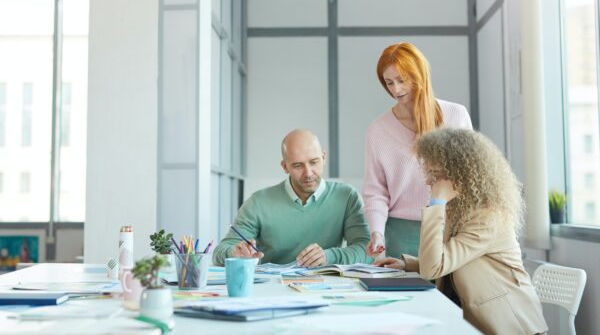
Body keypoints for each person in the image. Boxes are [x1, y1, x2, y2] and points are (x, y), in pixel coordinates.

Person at [375, 128, 548, 335]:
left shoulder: (487, 217)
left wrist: (436, 204)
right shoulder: (461, 209)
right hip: (472, 321)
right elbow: (451, 260)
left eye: (436, 174)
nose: (428, 181)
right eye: (428, 172)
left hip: (508, 327)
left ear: (460, 176)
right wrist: (408, 264)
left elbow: (434, 269)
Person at [363, 42, 472, 259]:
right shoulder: (377, 130)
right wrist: (377, 232)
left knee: (451, 294)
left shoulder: (456, 116)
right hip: (400, 234)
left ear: (419, 76)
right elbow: (375, 191)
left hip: (450, 231)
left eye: (402, 80)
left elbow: (470, 177)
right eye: (389, 82)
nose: (396, 90)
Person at [212, 129, 370, 266]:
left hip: (326, 287)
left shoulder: (346, 196)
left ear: (324, 158)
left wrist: (329, 257)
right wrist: (235, 253)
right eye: (297, 165)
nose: (308, 173)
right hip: (271, 290)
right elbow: (219, 253)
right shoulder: (259, 202)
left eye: (314, 162)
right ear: (285, 166)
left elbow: (366, 250)